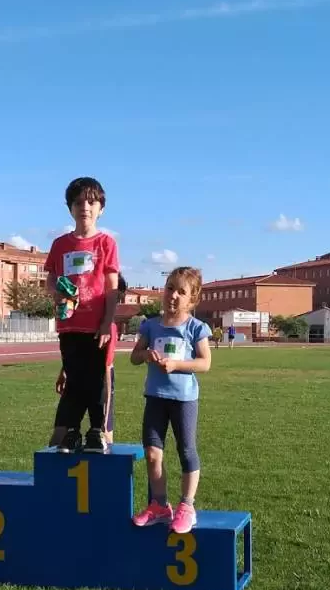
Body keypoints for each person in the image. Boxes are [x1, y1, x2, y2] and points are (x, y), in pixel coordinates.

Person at [130, 266, 211, 533]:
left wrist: (176, 365)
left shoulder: (195, 328)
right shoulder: (150, 325)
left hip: (184, 399)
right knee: (153, 454)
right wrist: (146, 356)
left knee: (186, 451)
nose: (173, 295)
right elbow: (134, 356)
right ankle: (159, 505)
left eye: (181, 291)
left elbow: (205, 363)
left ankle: (187, 505)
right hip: (155, 397)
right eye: (169, 288)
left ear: (192, 298)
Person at [45, 176, 119, 454]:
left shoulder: (106, 243)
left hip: (96, 326)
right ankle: (73, 432)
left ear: (101, 207)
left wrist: (105, 323)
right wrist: (58, 293)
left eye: (91, 201)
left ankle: (97, 430)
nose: (84, 207)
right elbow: (50, 281)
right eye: (78, 202)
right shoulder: (60, 244)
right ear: (70, 208)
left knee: (97, 380)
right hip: (69, 325)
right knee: (75, 380)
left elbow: (112, 289)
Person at [55, 272, 126, 444]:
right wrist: (64, 372)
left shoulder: (107, 328)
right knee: (59, 437)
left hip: (100, 380)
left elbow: (107, 368)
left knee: (102, 437)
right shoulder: (80, 324)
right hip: (76, 377)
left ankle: (103, 444)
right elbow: (74, 352)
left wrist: (105, 410)